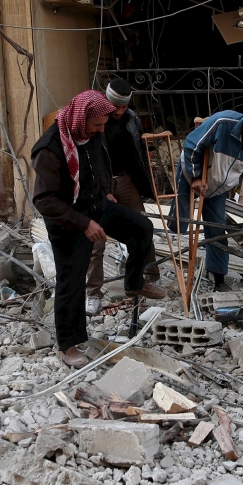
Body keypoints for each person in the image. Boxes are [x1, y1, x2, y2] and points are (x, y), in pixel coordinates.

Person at [32, 90, 166, 368]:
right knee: (72, 281)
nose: (102, 129)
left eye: (103, 125)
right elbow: (45, 200)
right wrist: (84, 223)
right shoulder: (50, 148)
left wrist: (106, 191)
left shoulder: (92, 134)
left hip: (96, 205)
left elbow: (101, 163)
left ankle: (134, 283)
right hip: (67, 220)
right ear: (82, 120)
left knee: (141, 227)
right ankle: (68, 345)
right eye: (97, 125)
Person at [171, 102, 243, 291]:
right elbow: (192, 145)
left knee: (216, 229)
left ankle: (219, 279)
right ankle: (179, 264)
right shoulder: (223, 122)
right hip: (191, 175)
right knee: (179, 223)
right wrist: (196, 176)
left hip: (218, 188)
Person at [85, 78, 160, 316]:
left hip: (126, 180)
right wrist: (104, 190)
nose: (118, 111)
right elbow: (92, 161)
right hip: (100, 186)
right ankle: (93, 293)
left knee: (142, 226)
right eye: (114, 106)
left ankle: (148, 277)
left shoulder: (131, 119)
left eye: (123, 107)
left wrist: (147, 181)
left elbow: (138, 152)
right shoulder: (94, 121)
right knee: (96, 239)